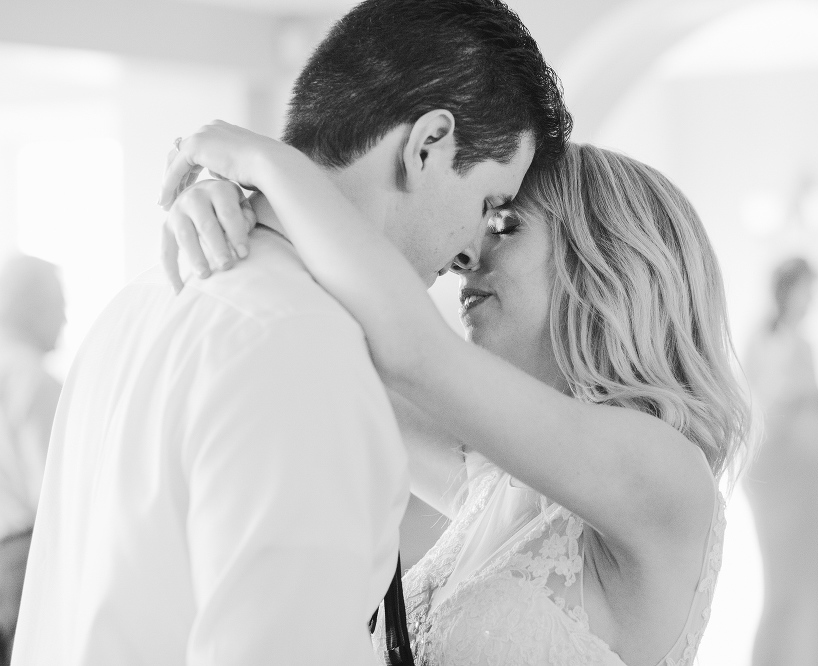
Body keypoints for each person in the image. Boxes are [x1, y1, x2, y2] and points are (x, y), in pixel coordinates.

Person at [12, 2, 570, 665]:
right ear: (429, 144)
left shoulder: (138, 304)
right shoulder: (302, 347)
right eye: (486, 205)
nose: (468, 254)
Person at [157, 117, 750, 664]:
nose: (467, 256)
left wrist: (269, 166)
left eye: (505, 226)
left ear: (603, 263)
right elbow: (335, 335)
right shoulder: (492, 479)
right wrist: (235, 217)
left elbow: (411, 351)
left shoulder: (667, 475)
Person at [741, 257, 818, 666]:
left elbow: (810, 409)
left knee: (815, 579)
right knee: (781, 579)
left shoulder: (806, 344)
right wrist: (798, 398)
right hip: (775, 468)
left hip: (810, 469)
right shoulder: (760, 340)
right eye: (807, 289)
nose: (812, 299)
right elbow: (755, 406)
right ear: (788, 290)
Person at [0, 255, 64, 666]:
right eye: (61, 304)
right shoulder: (35, 381)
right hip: (25, 555)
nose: (65, 318)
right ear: (33, 303)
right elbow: (56, 491)